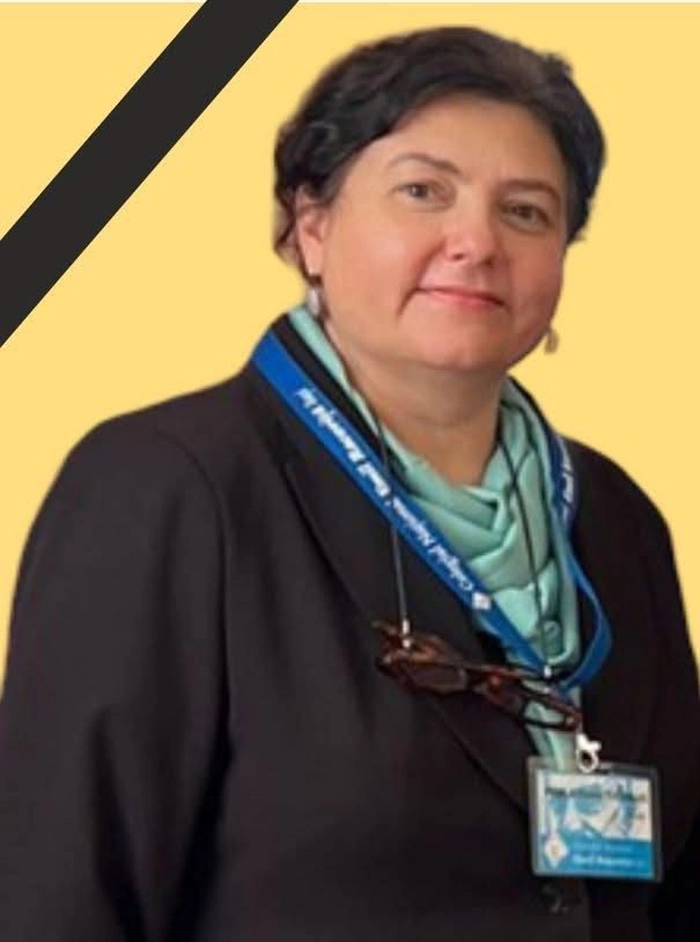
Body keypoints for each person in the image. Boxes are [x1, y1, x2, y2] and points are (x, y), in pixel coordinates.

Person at [0, 25, 698, 942]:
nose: (477, 241)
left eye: (527, 212)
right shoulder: (167, 486)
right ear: (312, 226)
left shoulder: (616, 517)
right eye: (423, 191)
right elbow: (57, 902)